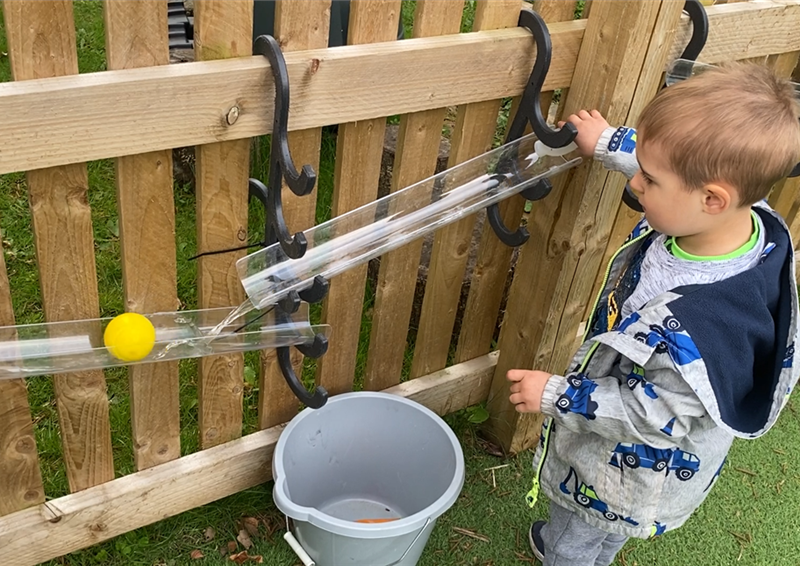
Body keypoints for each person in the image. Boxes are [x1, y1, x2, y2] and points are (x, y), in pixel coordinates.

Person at [506, 62, 800, 566]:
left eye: (649, 179)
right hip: (641, 479)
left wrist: (555, 394)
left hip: (626, 468)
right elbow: (676, 163)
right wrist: (608, 142)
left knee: (577, 531)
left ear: (712, 199)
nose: (637, 184)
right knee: (609, 530)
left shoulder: (700, 332)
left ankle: (562, 555)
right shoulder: (752, 221)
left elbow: (652, 415)